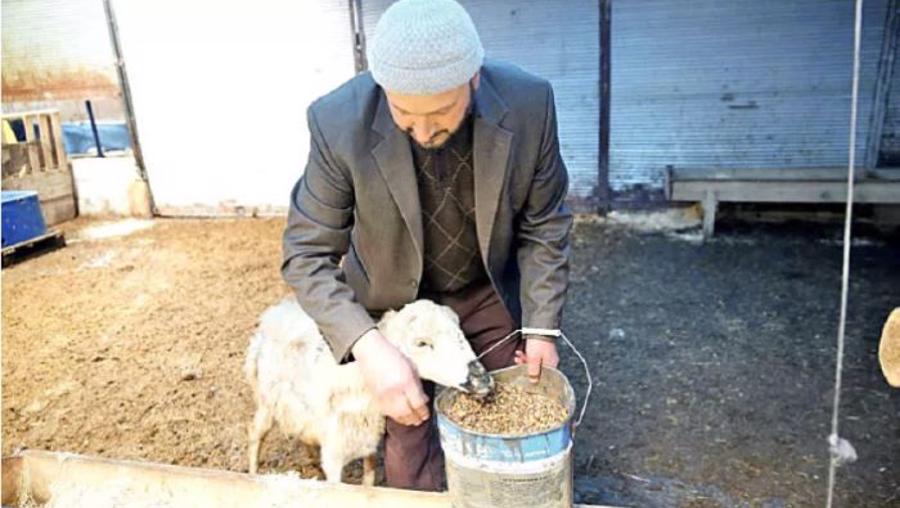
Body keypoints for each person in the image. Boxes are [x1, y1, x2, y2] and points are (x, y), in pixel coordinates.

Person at [282, 0, 572, 490]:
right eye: (402, 113)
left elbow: (544, 223)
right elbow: (306, 255)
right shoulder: (336, 123)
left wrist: (542, 329)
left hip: (482, 290)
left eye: (440, 112)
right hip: (395, 309)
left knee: (510, 415)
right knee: (410, 442)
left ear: (474, 80)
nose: (421, 131)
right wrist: (371, 349)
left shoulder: (530, 105)